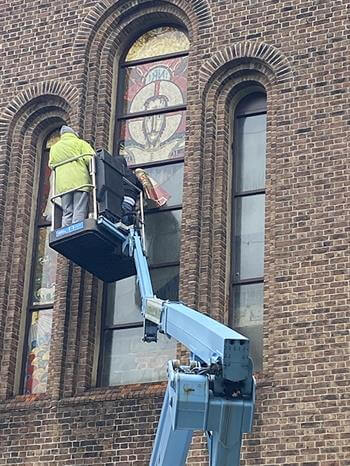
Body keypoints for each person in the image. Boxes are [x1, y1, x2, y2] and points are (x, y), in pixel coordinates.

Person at [49, 126, 95, 227]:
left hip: (63, 184)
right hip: (80, 181)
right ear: (73, 134)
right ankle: (76, 229)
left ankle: (66, 230)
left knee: (67, 211)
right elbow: (91, 159)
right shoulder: (80, 143)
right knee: (79, 208)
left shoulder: (54, 148)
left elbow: (51, 164)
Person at [117, 156, 143, 226]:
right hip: (131, 199)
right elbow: (140, 187)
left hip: (121, 197)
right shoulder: (132, 174)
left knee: (122, 218)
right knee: (126, 211)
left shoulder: (116, 171)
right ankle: (131, 220)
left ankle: (128, 223)